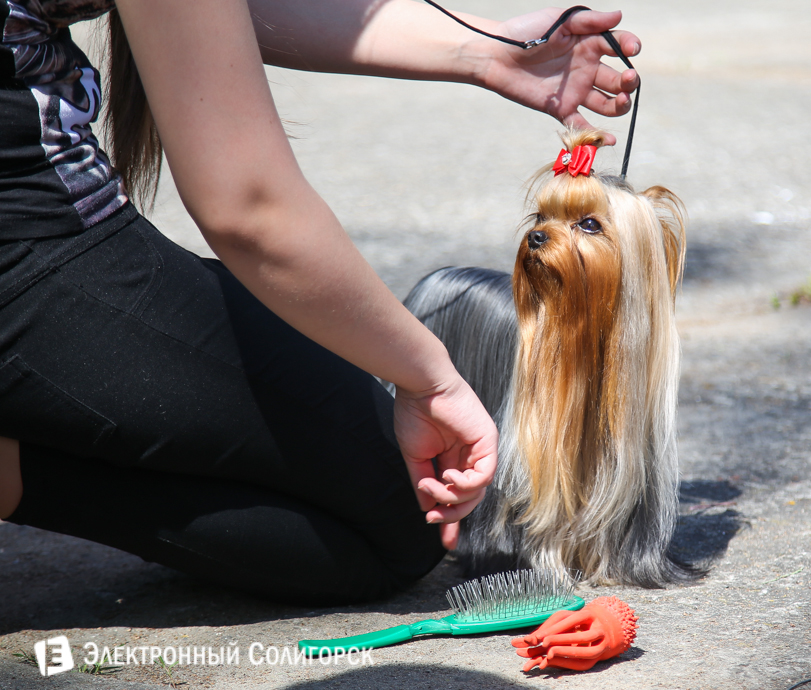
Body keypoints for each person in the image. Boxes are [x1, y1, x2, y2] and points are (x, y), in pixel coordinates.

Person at [0, 0, 640, 604]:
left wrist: (487, 49)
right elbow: (248, 209)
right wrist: (430, 378)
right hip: (25, 245)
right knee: (404, 514)